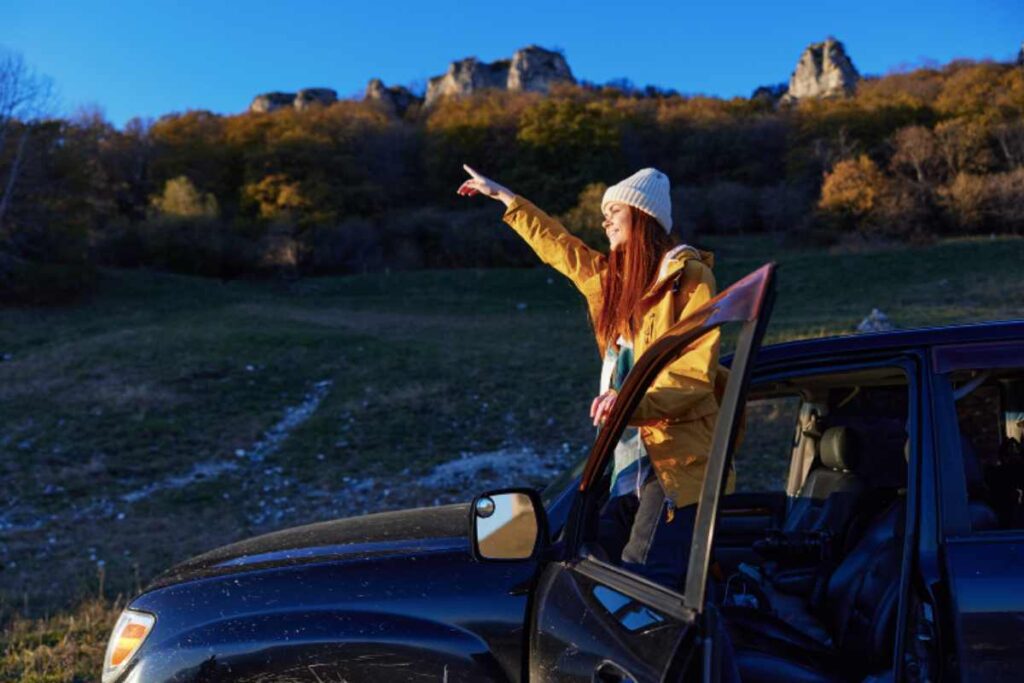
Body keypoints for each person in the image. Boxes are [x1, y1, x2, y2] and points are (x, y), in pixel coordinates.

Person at [457, 164, 730, 589]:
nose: (604, 221)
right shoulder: (612, 284)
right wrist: (507, 200)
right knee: (596, 571)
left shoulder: (688, 279)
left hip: (676, 465)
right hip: (626, 462)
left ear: (642, 219)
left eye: (614, 211)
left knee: (643, 581)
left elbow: (692, 375)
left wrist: (629, 404)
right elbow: (559, 248)